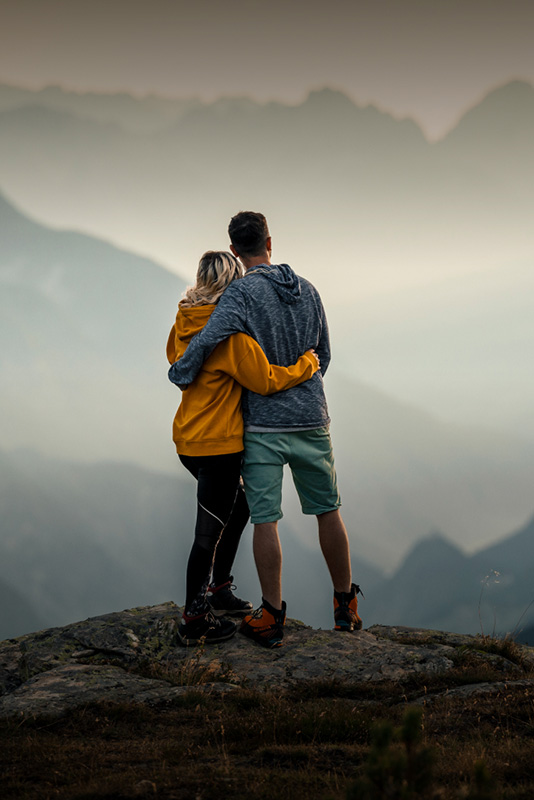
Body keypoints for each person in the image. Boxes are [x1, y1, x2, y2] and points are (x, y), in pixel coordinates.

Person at [169, 213, 362, 649]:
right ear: (270, 242)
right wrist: (307, 381)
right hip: (313, 419)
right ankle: (345, 607)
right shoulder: (309, 290)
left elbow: (211, 335)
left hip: (261, 427)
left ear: (235, 249)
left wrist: (182, 369)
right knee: (328, 510)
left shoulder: (239, 293)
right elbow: (323, 354)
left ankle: (272, 616)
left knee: (265, 520)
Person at [167, 250, 319, 646]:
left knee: (239, 505)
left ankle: (219, 589)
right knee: (207, 534)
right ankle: (194, 619)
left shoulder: (183, 320)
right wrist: (307, 364)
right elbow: (266, 379)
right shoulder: (231, 337)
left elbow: (175, 358)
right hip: (218, 446)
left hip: (188, 439)